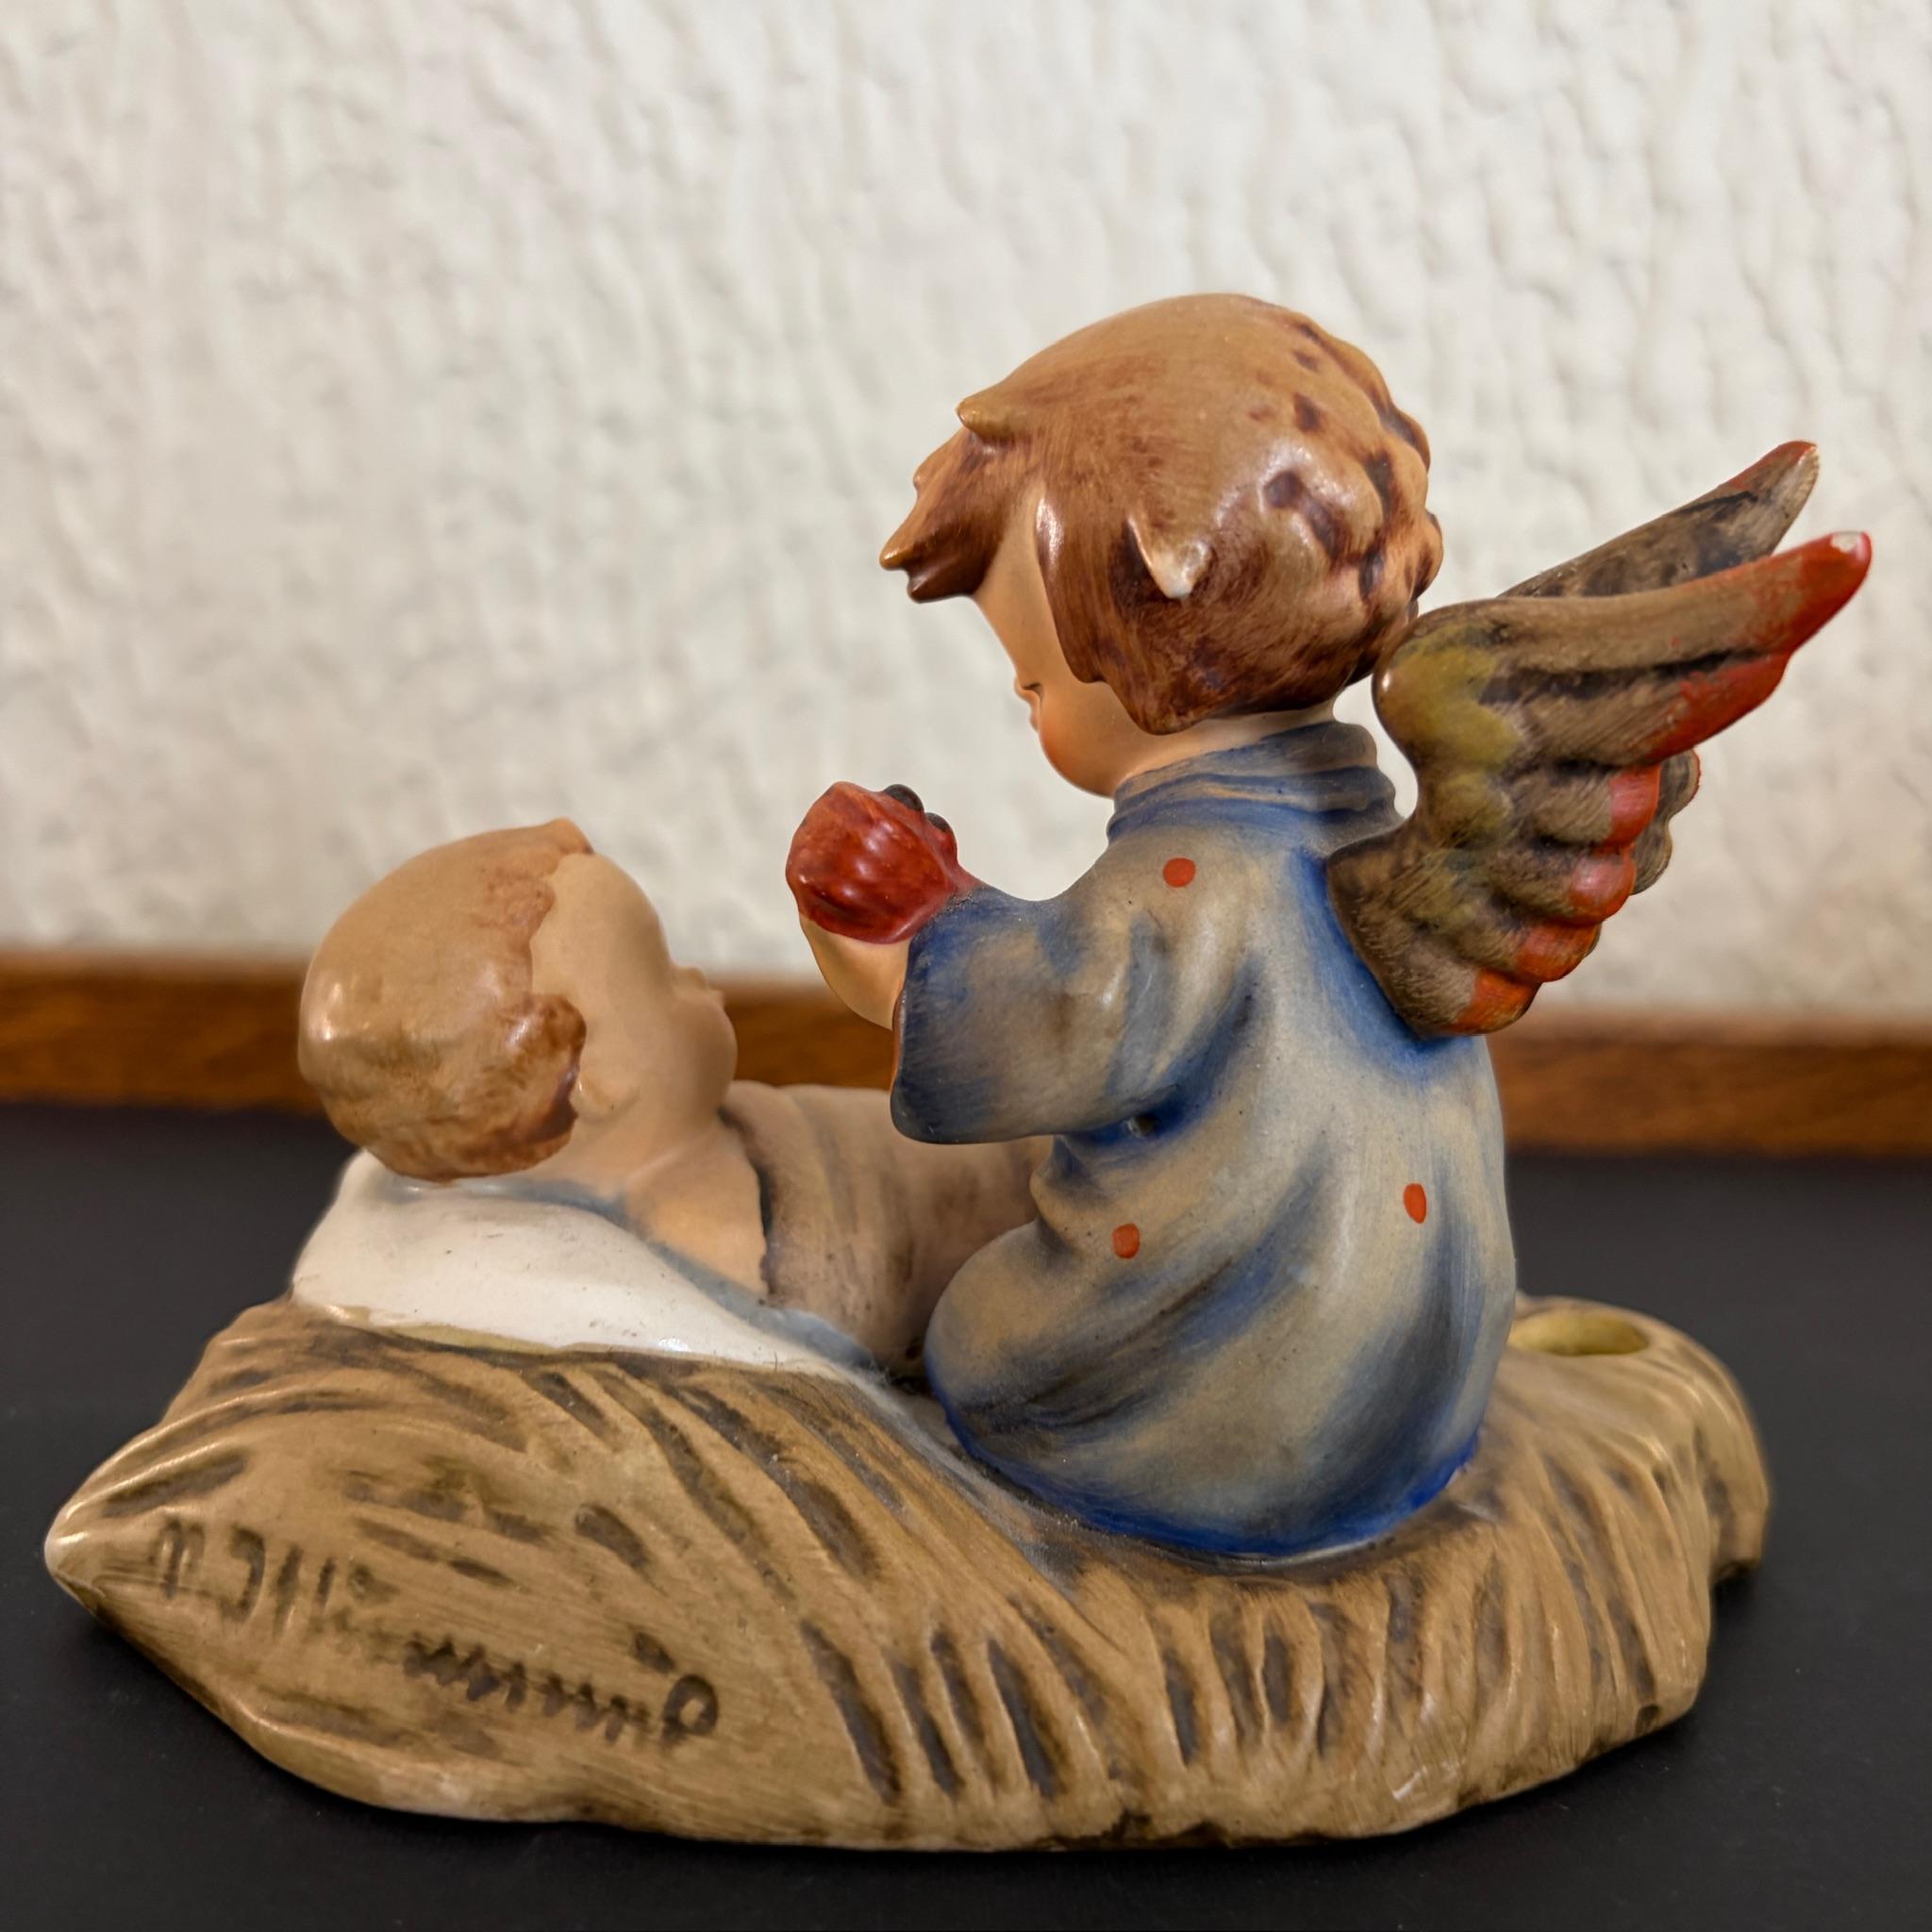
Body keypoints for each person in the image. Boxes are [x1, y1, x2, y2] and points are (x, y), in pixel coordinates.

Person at [787, 296, 1514, 1553]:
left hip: (1224, 1412)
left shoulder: (1189, 882)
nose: (1027, 705)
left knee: (977, 1332)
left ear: (1155, 628)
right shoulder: (1368, 831)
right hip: (1420, 1397)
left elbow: (1052, 1020)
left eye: (1033, 679)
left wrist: (886, 928)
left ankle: (1145, 1458)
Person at [299, 820, 1040, 1371]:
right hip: (1023, 1247)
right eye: (661, 972)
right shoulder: (725, 1246)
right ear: (594, 1083)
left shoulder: (713, 1143)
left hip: (1017, 1154)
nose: (699, 980)